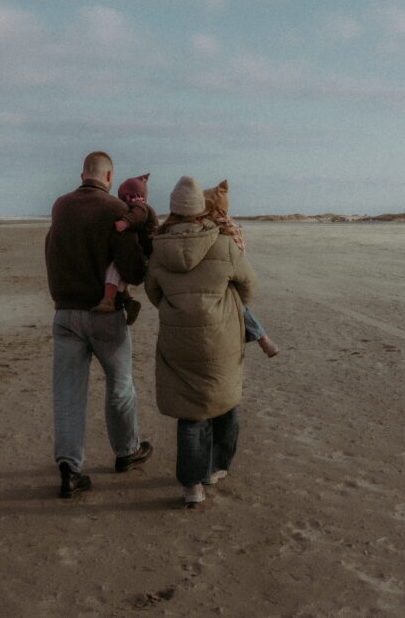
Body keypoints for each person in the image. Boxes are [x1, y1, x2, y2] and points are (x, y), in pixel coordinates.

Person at [45, 151, 153, 499]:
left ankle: (69, 467)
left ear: (82, 174)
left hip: (64, 313)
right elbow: (134, 270)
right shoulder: (115, 210)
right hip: (104, 316)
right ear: (109, 178)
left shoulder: (60, 205)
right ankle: (126, 452)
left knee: (67, 394)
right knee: (120, 385)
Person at [145, 176, 257, 507]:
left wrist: (179, 311)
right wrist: (229, 308)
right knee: (224, 397)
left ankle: (192, 486)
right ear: (200, 210)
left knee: (189, 409)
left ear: (173, 209)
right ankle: (216, 466)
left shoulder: (158, 247)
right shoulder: (223, 244)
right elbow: (249, 285)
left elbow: (153, 293)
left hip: (178, 337)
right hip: (220, 334)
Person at [203, 179, 280, 357]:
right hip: (234, 270)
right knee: (238, 304)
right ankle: (263, 339)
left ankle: (262, 338)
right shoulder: (229, 223)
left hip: (228, 272)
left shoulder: (218, 226)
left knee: (236, 304)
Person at [92, 173, 159, 326]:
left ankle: (108, 300)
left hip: (140, 254)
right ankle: (128, 302)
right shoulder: (142, 205)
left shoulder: (140, 207)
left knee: (114, 268)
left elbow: (138, 215)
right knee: (120, 276)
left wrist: (125, 222)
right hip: (144, 255)